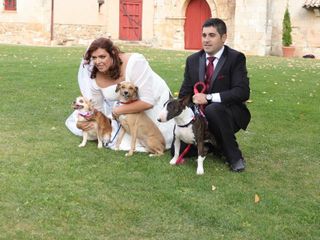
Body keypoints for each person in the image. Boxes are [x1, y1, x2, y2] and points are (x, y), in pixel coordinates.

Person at [65, 37, 174, 151]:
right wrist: (87, 122)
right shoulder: (94, 78)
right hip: (127, 107)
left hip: (153, 103)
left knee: (146, 141)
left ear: (113, 53)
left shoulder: (135, 62)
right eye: (94, 58)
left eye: (102, 56)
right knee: (117, 141)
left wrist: (118, 111)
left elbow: (148, 102)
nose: (97, 62)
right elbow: (99, 110)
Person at [178, 18, 251, 172]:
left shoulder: (236, 58)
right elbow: (185, 92)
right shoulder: (192, 60)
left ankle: (234, 156)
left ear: (223, 38)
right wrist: (187, 103)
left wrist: (209, 98)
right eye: (204, 35)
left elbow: (242, 92)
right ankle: (213, 145)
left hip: (228, 113)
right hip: (199, 116)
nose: (206, 40)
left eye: (212, 35)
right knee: (177, 151)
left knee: (214, 110)